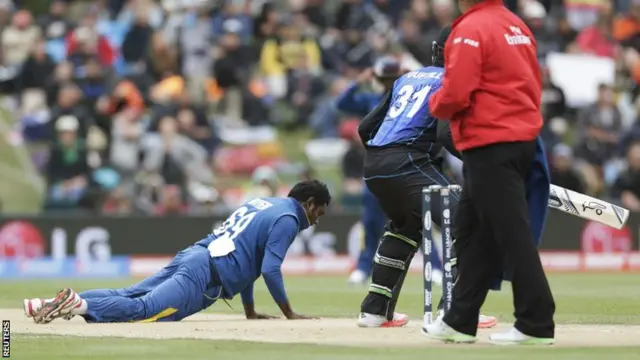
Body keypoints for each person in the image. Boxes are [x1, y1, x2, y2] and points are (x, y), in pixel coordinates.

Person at [424, 0, 556, 345]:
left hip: (490, 142)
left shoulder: (468, 29)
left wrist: (434, 104)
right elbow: (533, 82)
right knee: (473, 232)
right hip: (521, 139)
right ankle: (459, 319)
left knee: (511, 233)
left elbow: (456, 93)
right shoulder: (517, 26)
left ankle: (536, 322)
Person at [25, 180, 331, 324]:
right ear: (309, 203)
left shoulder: (266, 203)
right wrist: (289, 314)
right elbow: (269, 269)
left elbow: (251, 264)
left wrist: (249, 310)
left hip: (195, 256)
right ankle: (76, 304)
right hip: (204, 276)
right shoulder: (289, 218)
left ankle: (55, 303)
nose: (319, 218)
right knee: (143, 312)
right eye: (320, 211)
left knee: (130, 293)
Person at [354, 28, 497, 329]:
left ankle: (374, 311)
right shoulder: (450, 81)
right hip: (407, 161)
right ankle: (457, 311)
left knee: (404, 229)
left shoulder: (407, 78)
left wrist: (383, 161)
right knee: (471, 220)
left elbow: (366, 127)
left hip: (376, 164)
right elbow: (446, 133)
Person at [336, 57, 400, 285]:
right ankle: (364, 266)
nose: (387, 83)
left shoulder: (407, 95)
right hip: (376, 162)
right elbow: (342, 103)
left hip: (403, 161)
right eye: (385, 78)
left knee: (416, 217)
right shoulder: (371, 99)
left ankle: (435, 267)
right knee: (371, 220)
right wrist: (357, 81)